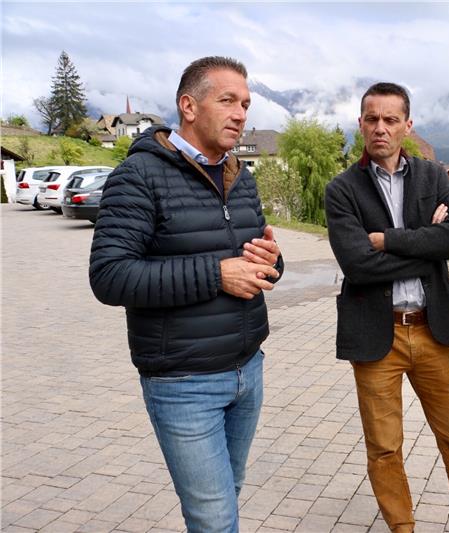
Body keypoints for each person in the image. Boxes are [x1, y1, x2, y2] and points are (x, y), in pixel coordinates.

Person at [89, 56, 283, 532]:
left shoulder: (240, 176)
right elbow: (109, 276)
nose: (240, 114)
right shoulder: (139, 176)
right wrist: (216, 275)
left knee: (226, 499)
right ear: (188, 106)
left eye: (246, 104)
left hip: (247, 370)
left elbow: (256, 265)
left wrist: (271, 262)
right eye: (228, 101)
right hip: (183, 382)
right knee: (214, 518)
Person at [325, 82, 449, 533]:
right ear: (361, 124)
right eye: (371, 119)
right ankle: (402, 528)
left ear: (407, 125)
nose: (380, 128)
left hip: (431, 329)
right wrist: (427, 245)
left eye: (390, 119)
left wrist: (387, 240)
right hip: (375, 336)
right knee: (384, 448)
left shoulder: (433, 177)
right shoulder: (342, 190)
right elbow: (358, 265)